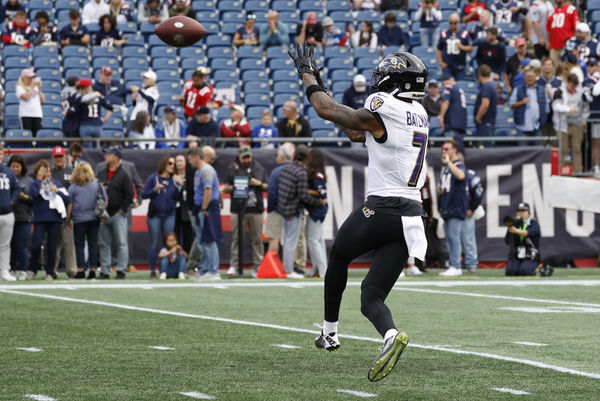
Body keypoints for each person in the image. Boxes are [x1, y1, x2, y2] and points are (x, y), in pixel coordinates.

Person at [289, 45, 429, 380]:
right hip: (411, 217)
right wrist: (325, 89)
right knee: (372, 296)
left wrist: (307, 75)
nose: (377, 80)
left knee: (338, 254)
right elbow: (355, 129)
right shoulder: (418, 112)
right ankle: (391, 335)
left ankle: (330, 332)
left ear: (394, 81)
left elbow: (327, 111)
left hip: (383, 208)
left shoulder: (385, 105)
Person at [277, 145, 324, 279]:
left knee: (287, 240)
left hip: (284, 208)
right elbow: (303, 195)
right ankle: (289, 270)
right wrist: (318, 202)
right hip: (294, 209)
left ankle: (287, 268)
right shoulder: (301, 172)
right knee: (291, 241)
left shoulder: (286, 168)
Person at [222, 145, 267, 275]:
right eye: (244, 157)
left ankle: (258, 266)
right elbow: (225, 187)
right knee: (236, 238)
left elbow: (266, 186)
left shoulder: (258, 167)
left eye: (248, 157)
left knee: (257, 239)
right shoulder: (233, 168)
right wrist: (239, 184)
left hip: (255, 208)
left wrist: (257, 184)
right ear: (239, 157)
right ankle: (234, 265)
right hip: (237, 208)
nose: (247, 160)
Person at [142, 155, 183, 278]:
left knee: (170, 243)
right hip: (155, 215)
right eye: (170, 163)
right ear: (164, 164)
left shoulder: (174, 180)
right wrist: (154, 190)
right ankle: (153, 270)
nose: (172, 166)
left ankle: (167, 269)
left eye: (174, 164)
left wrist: (180, 186)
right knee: (153, 243)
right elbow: (144, 195)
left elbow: (180, 198)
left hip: (169, 214)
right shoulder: (153, 178)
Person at [29, 160, 71, 281]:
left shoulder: (56, 183)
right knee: (36, 244)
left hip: (54, 219)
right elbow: (34, 194)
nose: (46, 173)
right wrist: (41, 181)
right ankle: (33, 269)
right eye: (43, 170)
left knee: (52, 246)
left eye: (48, 170)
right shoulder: (35, 183)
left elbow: (68, 199)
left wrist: (56, 190)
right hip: (40, 219)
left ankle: (50, 272)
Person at [97, 147, 133, 279]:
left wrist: (121, 211)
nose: (105, 156)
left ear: (116, 157)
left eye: (108, 154)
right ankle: (105, 270)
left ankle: (121, 270)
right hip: (104, 215)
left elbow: (129, 194)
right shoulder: (101, 173)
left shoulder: (124, 174)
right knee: (103, 244)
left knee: (122, 244)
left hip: (118, 215)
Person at [67, 162, 107, 280]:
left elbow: (70, 204)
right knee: (93, 244)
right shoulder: (97, 185)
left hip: (79, 219)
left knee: (79, 245)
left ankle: (80, 270)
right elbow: (105, 201)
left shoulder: (73, 187)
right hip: (94, 218)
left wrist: (67, 219)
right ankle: (93, 269)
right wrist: (102, 215)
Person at [190, 146, 223, 280]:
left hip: (207, 208)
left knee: (209, 240)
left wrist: (204, 208)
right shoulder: (198, 172)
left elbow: (208, 191)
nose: (189, 162)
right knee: (202, 241)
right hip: (200, 207)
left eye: (190, 159)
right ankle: (204, 270)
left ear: (197, 157)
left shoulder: (207, 170)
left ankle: (213, 270)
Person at [437, 139, 467, 277]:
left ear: (455, 150)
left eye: (447, 149)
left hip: (456, 207)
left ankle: (456, 265)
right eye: (443, 149)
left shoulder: (457, 165)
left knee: (454, 238)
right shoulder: (446, 167)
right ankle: (453, 264)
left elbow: (461, 175)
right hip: (447, 207)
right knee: (449, 238)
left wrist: (449, 162)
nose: (445, 151)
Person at [264, 142, 295, 254]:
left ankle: (273, 267)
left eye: (277, 155)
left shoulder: (276, 172)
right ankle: (292, 268)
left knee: (274, 238)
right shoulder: (297, 170)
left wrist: (271, 209)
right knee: (292, 240)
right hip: (294, 211)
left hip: (277, 210)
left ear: (281, 157)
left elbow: (272, 192)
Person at [51, 146, 77, 278]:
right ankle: (52, 270)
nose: (59, 159)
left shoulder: (72, 172)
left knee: (69, 244)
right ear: (52, 158)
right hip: (52, 214)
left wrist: (69, 215)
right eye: (56, 157)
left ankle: (71, 270)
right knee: (53, 245)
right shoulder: (50, 172)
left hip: (68, 214)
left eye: (60, 156)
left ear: (65, 157)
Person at [553, 74, 587, 173]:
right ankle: (561, 171)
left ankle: (578, 171)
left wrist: (584, 120)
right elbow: (556, 105)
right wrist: (568, 109)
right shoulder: (559, 91)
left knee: (577, 148)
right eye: (571, 85)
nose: (573, 88)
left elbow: (585, 107)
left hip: (577, 124)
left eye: (575, 86)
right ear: (567, 82)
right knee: (563, 150)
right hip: (562, 125)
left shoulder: (581, 93)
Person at [303, 148, 328, 278]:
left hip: (317, 211)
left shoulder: (318, 175)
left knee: (314, 240)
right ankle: (317, 268)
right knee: (318, 239)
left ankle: (323, 269)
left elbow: (322, 195)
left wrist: (307, 191)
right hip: (316, 210)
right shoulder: (315, 174)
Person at [7, 154, 32, 281]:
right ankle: (10, 269)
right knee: (9, 245)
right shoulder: (5, 179)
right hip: (9, 215)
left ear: (22, 167)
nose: (15, 169)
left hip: (24, 217)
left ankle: (23, 269)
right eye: (13, 167)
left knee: (22, 245)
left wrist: (23, 196)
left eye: (17, 166)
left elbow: (34, 200)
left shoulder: (28, 181)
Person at [68, 78, 113, 148]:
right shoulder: (98, 96)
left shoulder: (80, 98)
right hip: (97, 125)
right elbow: (110, 108)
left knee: (88, 151)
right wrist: (104, 120)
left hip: (85, 125)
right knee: (98, 150)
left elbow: (72, 112)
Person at [509, 68, 548, 145]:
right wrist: (522, 102)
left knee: (536, 152)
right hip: (522, 127)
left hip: (537, 126)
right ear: (524, 78)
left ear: (535, 77)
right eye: (527, 77)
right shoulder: (518, 89)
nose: (529, 78)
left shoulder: (542, 90)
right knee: (523, 152)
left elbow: (546, 108)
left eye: (531, 76)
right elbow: (511, 105)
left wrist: (542, 120)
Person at [505, 202, 541, 276]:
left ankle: (537, 267)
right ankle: (519, 266)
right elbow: (507, 241)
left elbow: (527, 233)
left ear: (529, 213)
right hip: (516, 254)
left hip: (530, 254)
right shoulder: (514, 224)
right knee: (510, 272)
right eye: (519, 211)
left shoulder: (534, 224)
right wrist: (510, 230)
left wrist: (516, 231)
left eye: (523, 211)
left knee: (525, 271)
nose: (521, 213)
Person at [0, 146, 19, 282]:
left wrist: (12, 201)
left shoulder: (9, 172)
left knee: (5, 244)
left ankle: (4, 270)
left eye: (0, 154)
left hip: (7, 213)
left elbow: (16, 188)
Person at [461, 166, 484, 272]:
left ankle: (471, 263)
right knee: (452, 239)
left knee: (468, 238)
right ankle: (455, 263)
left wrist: (472, 208)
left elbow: (478, 192)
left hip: (465, 210)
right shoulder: (448, 171)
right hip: (453, 210)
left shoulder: (469, 174)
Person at [437, 13, 473, 80]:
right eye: (451, 23)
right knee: (448, 86)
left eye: (455, 23)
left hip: (460, 66)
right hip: (447, 66)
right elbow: (439, 49)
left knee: (460, 85)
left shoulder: (464, 34)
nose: (453, 25)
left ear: (459, 23)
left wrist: (462, 47)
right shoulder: (444, 34)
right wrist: (440, 62)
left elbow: (471, 48)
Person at [438, 76, 467, 151]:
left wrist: (441, 117)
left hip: (452, 124)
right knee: (459, 150)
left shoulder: (449, 87)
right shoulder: (460, 89)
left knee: (450, 150)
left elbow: (446, 102)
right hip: (461, 124)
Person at [546, 0, 579, 66]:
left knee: (566, 66)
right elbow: (549, 28)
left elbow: (576, 27)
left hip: (567, 45)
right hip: (554, 44)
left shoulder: (571, 9)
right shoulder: (552, 11)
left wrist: (574, 43)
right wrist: (548, 41)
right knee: (554, 66)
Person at [173, 154, 194, 253]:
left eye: (181, 161)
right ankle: (177, 263)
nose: (179, 163)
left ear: (186, 162)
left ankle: (188, 262)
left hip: (187, 209)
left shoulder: (190, 175)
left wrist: (182, 184)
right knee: (175, 236)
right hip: (174, 209)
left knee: (188, 237)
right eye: (177, 161)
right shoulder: (172, 176)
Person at [16, 68, 44, 137]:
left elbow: (43, 100)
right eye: (29, 77)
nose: (31, 79)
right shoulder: (19, 87)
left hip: (37, 114)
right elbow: (26, 97)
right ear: (24, 78)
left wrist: (39, 88)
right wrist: (32, 87)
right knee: (27, 136)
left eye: (32, 77)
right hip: (25, 114)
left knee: (37, 136)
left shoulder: (35, 87)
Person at [584, 58, 600, 177]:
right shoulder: (590, 81)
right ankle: (596, 167)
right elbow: (594, 92)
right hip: (596, 116)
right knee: (596, 142)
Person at [474, 65, 498, 139]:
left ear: (479, 74)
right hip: (489, 122)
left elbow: (485, 104)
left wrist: (478, 117)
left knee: (485, 148)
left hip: (485, 123)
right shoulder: (492, 85)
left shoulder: (487, 86)